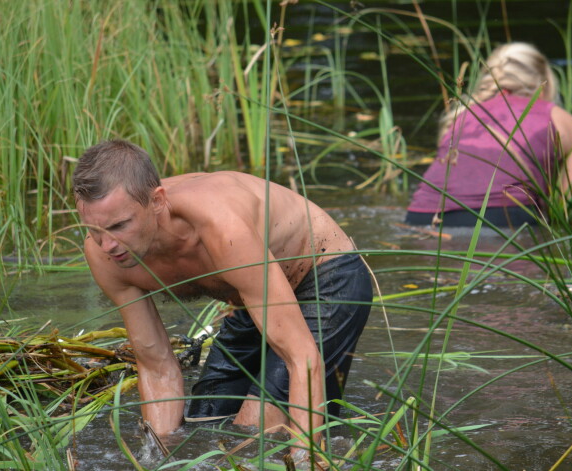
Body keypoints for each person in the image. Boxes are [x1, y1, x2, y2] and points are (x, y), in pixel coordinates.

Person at [72, 139, 373, 450]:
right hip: (251, 296)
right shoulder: (104, 256)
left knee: (252, 439)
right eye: (95, 230)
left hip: (325, 276)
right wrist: (156, 457)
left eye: (120, 225)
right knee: (206, 425)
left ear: (157, 201)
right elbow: (156, 365)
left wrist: (305, 457)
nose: (108, 245)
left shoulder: (220, 226)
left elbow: (302, 356)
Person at [406, 42, 572, 227]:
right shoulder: (561, 119)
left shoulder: (461, 116)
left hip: (421, 218)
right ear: (544, 84)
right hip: (502, 219)